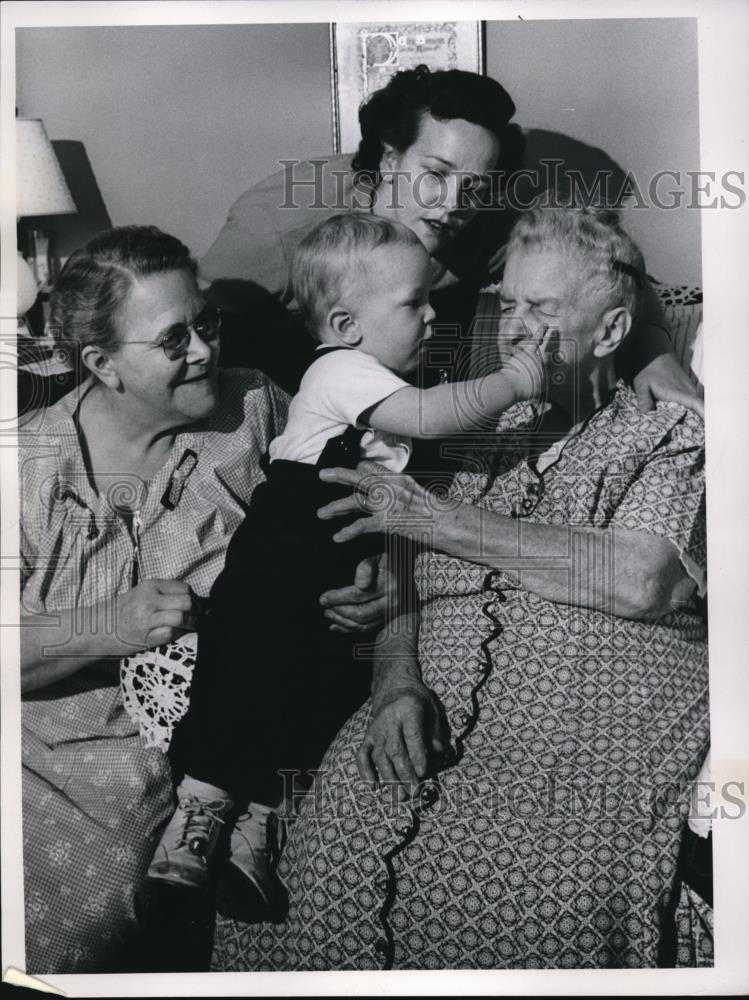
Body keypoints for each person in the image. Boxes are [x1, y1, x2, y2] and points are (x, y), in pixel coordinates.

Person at [213, 205, 708, 970]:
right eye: (506, 305)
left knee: (531, 905)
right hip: (418, 709)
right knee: (322, 862)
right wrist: (394, 679)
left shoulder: (665, 436)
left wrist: (439, 521)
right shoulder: (471, 433)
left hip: (574, 741)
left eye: (539, 311)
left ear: (609, 334)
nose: (513, 329)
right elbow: (400, 578)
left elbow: (642, 578)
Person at [150, 212, 553, 913]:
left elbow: (402, 486)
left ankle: (260, 820)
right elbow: (429, 418)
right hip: (287, 539)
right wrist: (513, 383)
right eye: (412, 305)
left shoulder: (389, 373)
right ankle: (197, 812)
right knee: (249, 661)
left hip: (342, 541)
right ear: (344, 324)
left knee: (327, 683)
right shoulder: (341, 371)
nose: (432, 316)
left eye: (431, 298)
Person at [18, 225, 391, 973]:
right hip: (34, 755)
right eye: (174, 339)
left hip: (180, 760)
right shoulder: (23, 468)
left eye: (208, 324)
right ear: (101, 364)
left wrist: (371, 586)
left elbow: (358, 514)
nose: (203, 352)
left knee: (85, 928)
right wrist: (101, 626)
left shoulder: (256, 409)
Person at [200, 65, 701, 418]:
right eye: (435, 174)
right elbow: (193, 327)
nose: (453, 203)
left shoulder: (479, 220)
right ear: (390, 159)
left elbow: (610, 272)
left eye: (475, 185)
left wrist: (656, 359)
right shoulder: (277, 223)